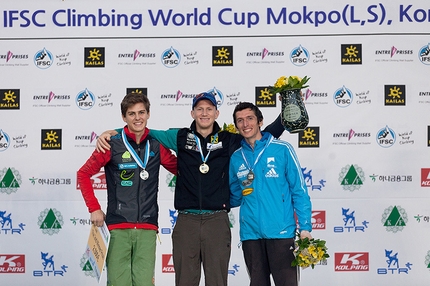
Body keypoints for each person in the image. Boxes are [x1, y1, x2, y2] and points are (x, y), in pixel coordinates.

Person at [96, 92, 285, 286]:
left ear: (217, 113)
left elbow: (261, 135)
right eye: (200, 109)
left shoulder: (229, 140)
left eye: (209, 109)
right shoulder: (179, 136)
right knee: (185, 281)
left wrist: (286, 112)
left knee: (217, 282)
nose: (204, 113)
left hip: (217, 221)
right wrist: (113, 132)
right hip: (187, 221)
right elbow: (142, 130)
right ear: (192, 113)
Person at [77, 92, 177, 286]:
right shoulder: (110, 144)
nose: (137, 118)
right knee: (117, 283)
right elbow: (83, 174)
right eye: (131, 114)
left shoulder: (157, 145)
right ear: (124, 117)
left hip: (148, 228)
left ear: (148, 114)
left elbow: (182, 170)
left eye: (141, 112)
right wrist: (94, 208)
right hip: (118, 228)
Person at [229, 102, 312, 286]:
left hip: (281, 233)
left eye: (250, 118)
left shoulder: (282, 149)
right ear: (236, 126)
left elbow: (299, 191)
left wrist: (305, 227)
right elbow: (234, 196)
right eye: (240, 121)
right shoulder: (236, 157)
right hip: (251, 236)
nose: (245, 124)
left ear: (260, 121)